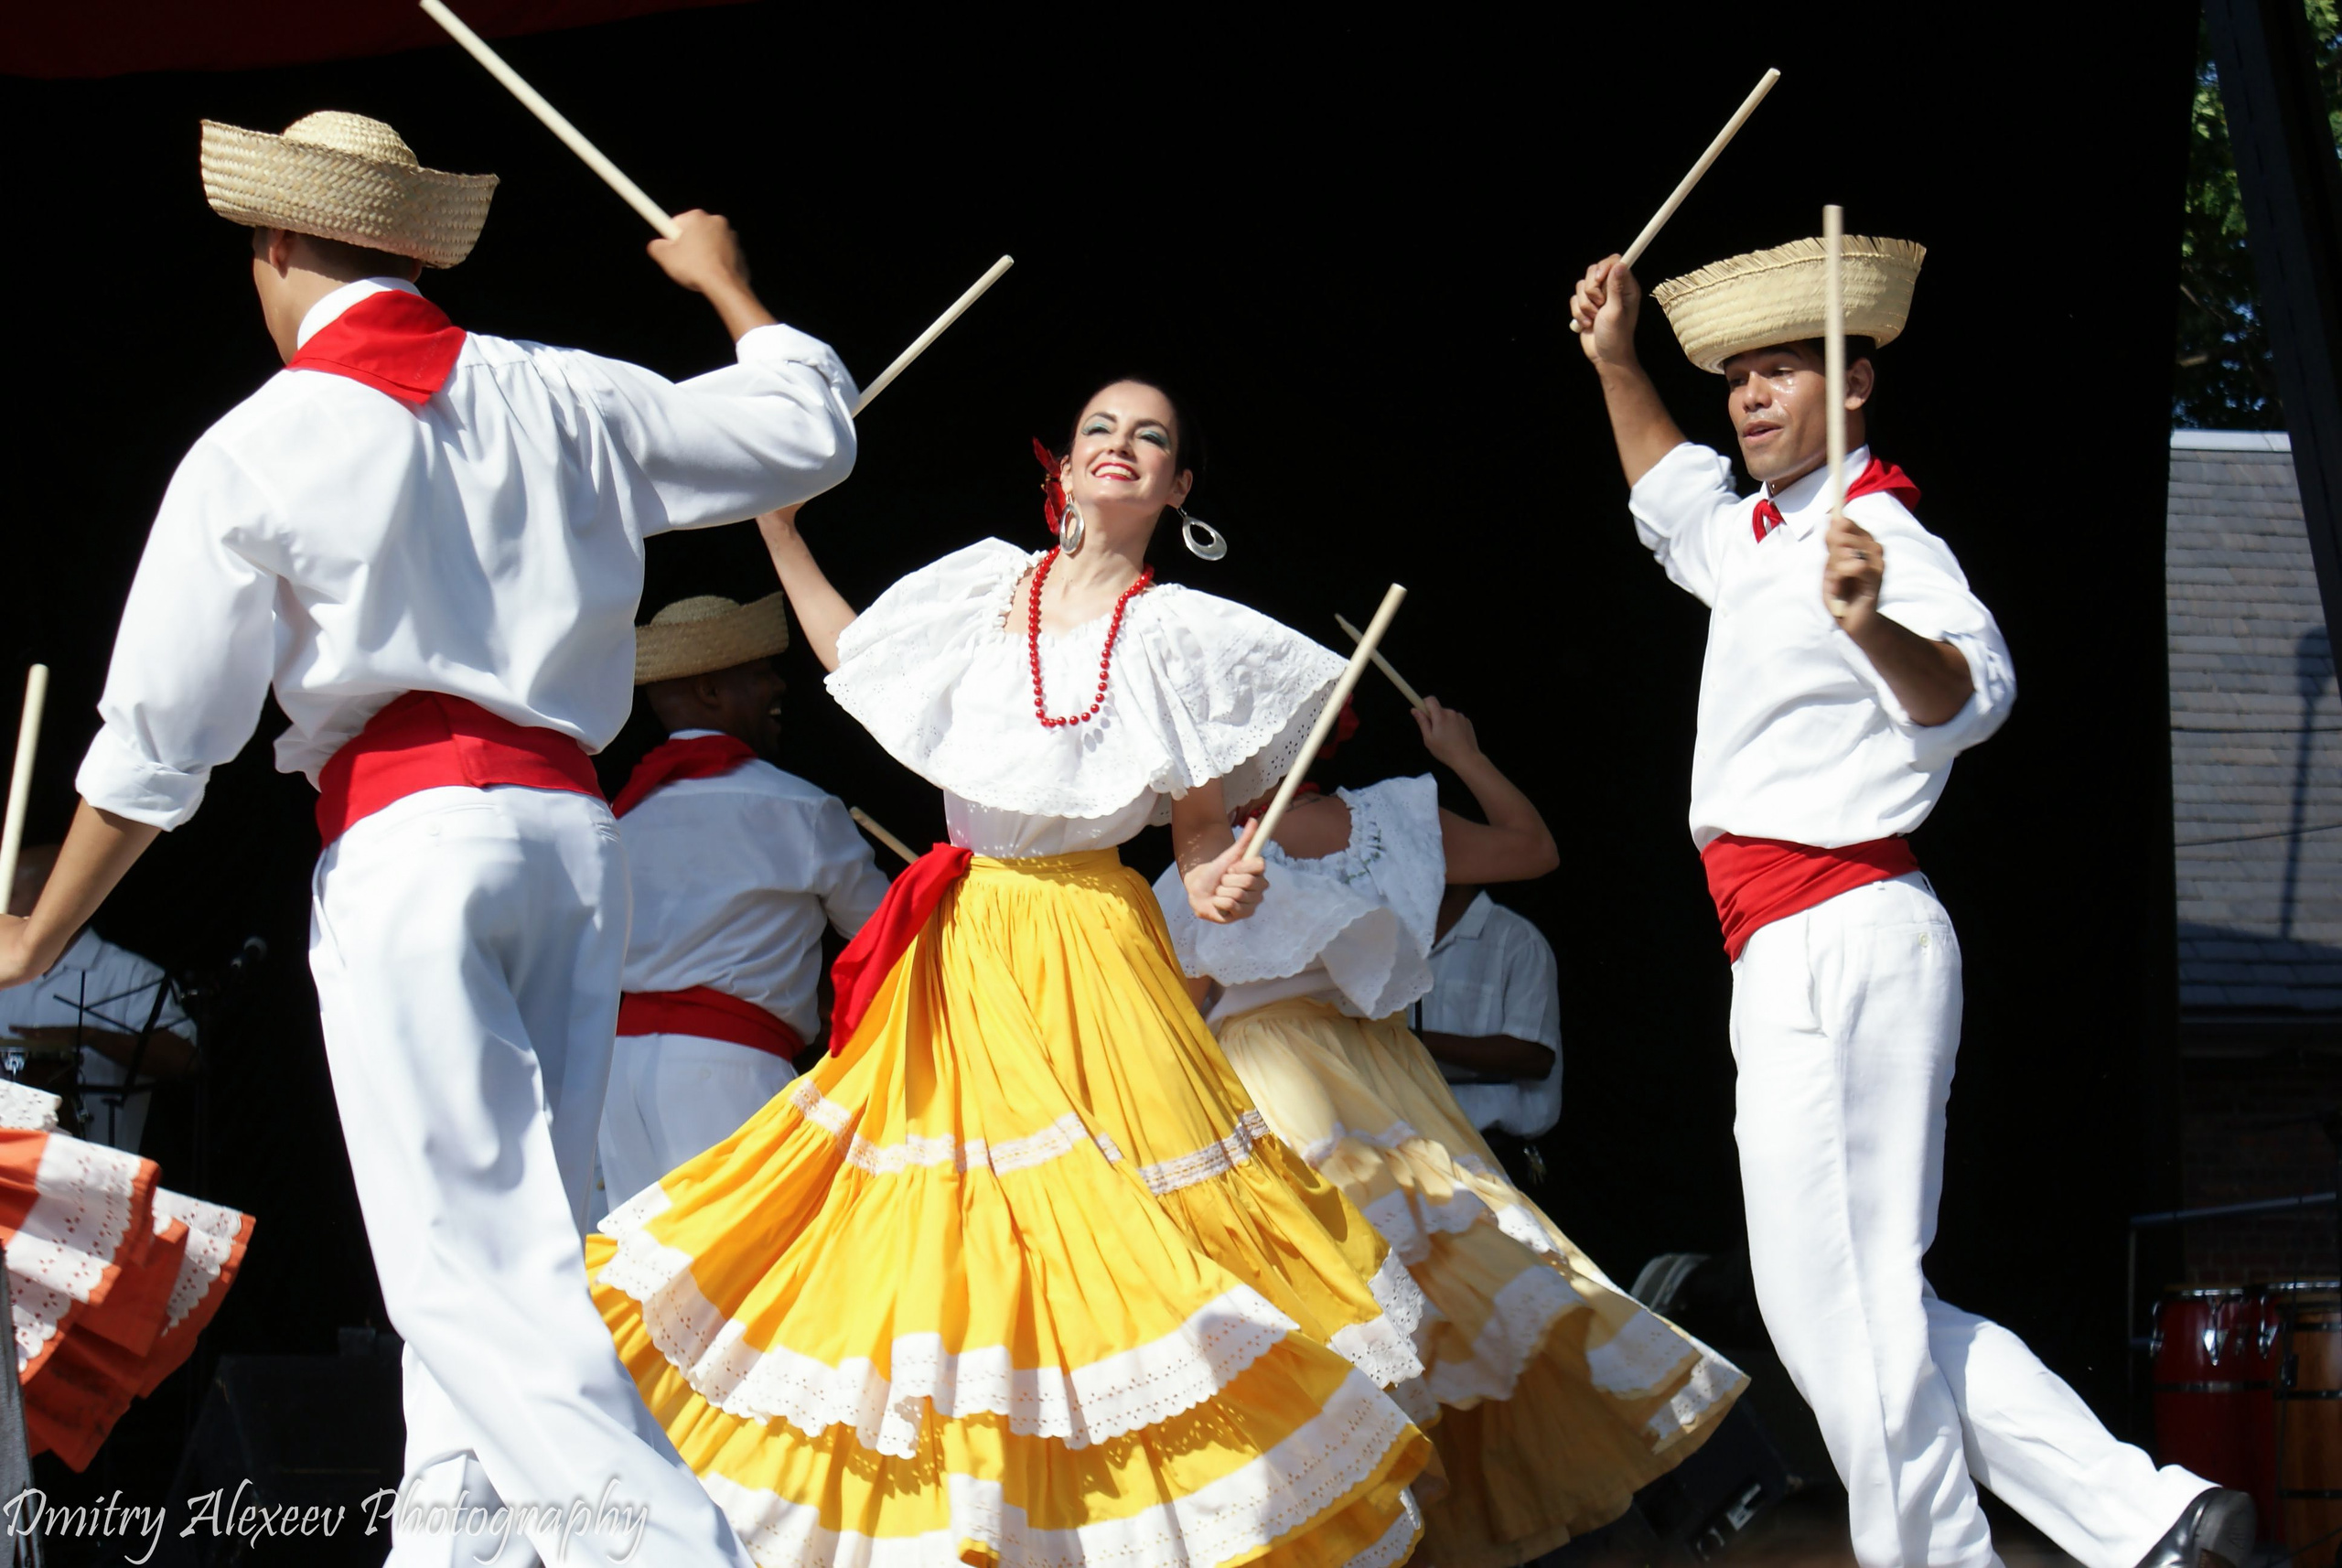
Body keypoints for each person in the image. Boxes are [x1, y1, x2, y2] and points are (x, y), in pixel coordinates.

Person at [0, 110, 858, 1566]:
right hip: (571, 845)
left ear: (278, 245)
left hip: (416, 845)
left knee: (470, 1270)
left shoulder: (260, 445)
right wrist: (727, 286)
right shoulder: (560, 392)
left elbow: (157, 751)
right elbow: (808, 433)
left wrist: (37, 932)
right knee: (508, 1251)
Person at [586, 379, 1434, 1567]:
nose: (1121, 446)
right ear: (1065, 468)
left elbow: (1198, 839)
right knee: (956, 1228)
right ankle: (979, 1517)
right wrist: (781, 533)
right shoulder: (986, 590)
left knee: (1113, 1227)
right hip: (968, 941)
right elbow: (856, 655)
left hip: (1091, 942)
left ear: (1180, 487)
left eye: (1151, 437)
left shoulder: (1178, 637)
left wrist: (1218, 886)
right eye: (1100, 429)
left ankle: (1129, 1523)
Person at [1569, 236, 2248, 1568]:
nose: (1750, 397)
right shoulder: (1759, 537)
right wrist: (1614, 360)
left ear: (1856, 382)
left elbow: (1974, 693)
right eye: (1739, 379)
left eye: (1782, 372)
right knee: (1846, 1304)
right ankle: (2153, 1515)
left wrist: (1871, 621)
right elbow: (1669, 491)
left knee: (1852, 1307)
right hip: (1784, 941)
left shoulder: (1880, 534)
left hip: (1849, 926)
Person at [1154, 700, 1743, 1568]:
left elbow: (1178, 1018)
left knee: (1345, 1306)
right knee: (1445, 1289)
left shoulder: (1205, 872)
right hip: (1384, 1070)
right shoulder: (1389, 820)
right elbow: (1531, 847)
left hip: (1284, 1079)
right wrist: (1463, 754)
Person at [599, 591, 888, 1209]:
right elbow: (887, 939)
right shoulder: (799, 810)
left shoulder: (618, 822)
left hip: (619, 1077)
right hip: (728, 1070)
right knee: (758, 1259)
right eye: (760, 673)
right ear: (711, 691)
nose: (778, 686)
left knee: (644, 1262)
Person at [0, 843, 194, 1155]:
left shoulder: (131, 975)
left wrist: (89, 1037)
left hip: (95, 1171)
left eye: (10, 895)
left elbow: (183, 1060)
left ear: (48, 902)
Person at [1414, 885, 1563, 1186]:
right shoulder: (1391, 934)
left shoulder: (1517, 939)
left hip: (1492, 1159)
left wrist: (1410, 1041)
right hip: (1408, 1153)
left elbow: (1533, 1056)